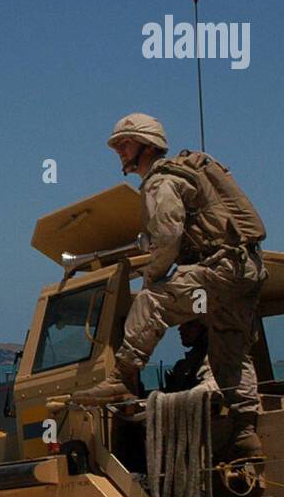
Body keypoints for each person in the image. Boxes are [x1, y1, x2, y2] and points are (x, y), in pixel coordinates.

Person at [93, 113, 266, 462]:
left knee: (151, 301)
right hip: (245, 269)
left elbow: (167, 237)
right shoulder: (185, 173)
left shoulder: (160, 182)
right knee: (229, 353)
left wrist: (154, 275)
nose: (119, 152)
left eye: (124, 144)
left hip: (218, 269)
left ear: (145, 145)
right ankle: (246, 433)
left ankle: (122, 377)